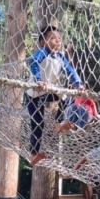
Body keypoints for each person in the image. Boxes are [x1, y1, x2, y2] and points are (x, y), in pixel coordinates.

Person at [27, 25, 84, 166]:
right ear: (43, 43)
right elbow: (33, 62)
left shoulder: (60, 57)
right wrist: (38, 79)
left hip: (48, 91)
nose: (57, 41)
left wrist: (78, 84)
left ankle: (59, 123)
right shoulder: (42, 53)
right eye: (52, 38)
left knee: (67, 96)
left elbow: (70, 71)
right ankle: (33, 154)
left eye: (59, 38)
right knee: (37, 124)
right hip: (33, 93)